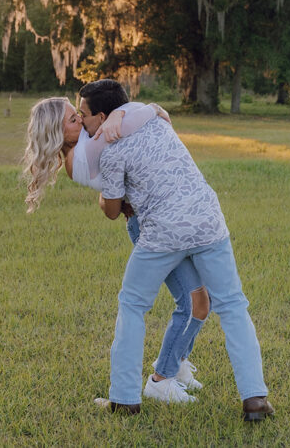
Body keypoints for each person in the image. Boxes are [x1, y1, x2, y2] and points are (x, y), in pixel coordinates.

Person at [77, 79, 275, 421]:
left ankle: (124, 399)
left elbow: (112, 211)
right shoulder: (155, 119)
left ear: (103, 115)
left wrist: (107, 195)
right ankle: (255, 399)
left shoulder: (111, 151)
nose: (81, 122)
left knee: (133, 305)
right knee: (233, 306)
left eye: (84, 115)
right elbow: (152, 110)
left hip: (162, 233)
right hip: (208, 220)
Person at [23, 95, 208, 403]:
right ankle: (162, 379)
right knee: (193, 303)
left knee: (200, 301)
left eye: (78, 114)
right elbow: (111, 204)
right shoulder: (78, 158)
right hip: (151, 226)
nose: (81, 120)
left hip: (168, 218)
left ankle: (175, 366)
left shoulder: (88, 137)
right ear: (57, 133)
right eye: (72, 119)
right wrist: (126, 117)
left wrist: (123, 117)